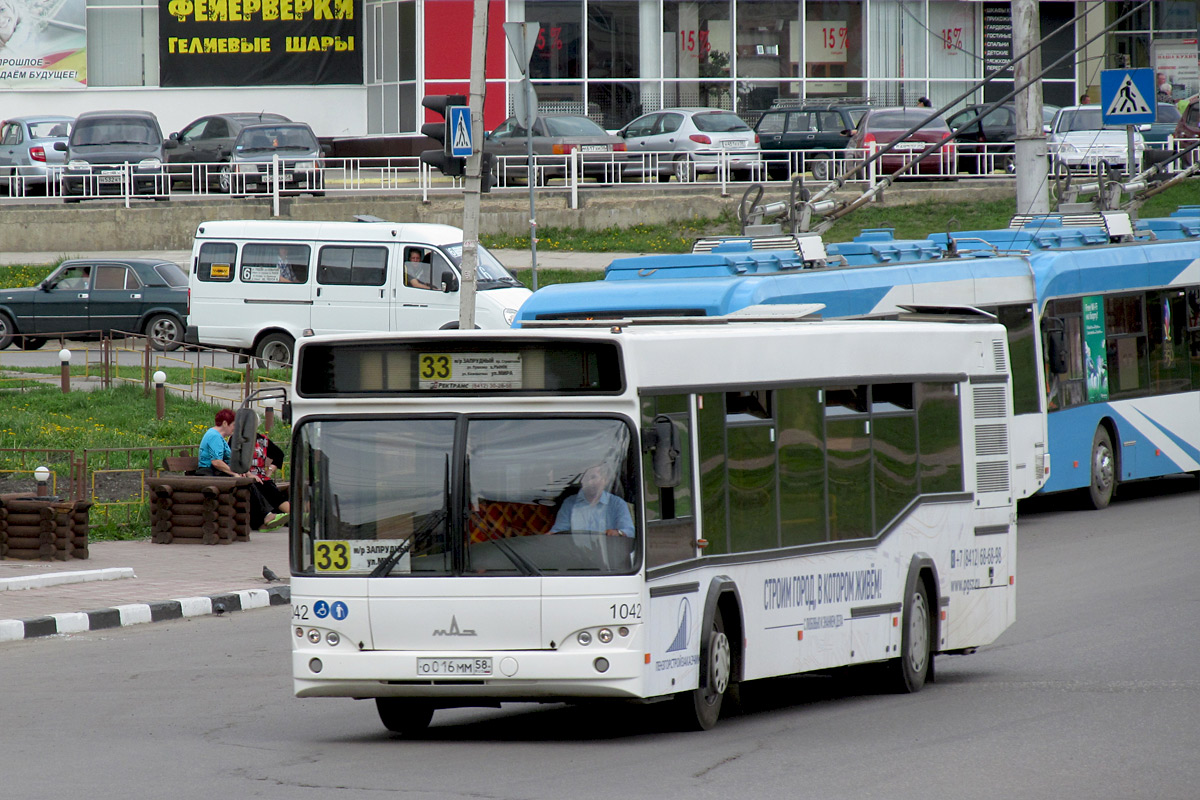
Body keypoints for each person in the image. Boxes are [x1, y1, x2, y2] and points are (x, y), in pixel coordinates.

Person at [549, 464, 634, 537]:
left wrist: (618, 533)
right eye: (586, 478)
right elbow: (558, 532)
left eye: (593, 477)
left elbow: (630, 531)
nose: (589, 482)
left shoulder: (617, 504)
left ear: (605, 480)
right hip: (575, 553)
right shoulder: (569, 503)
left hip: (607, 553)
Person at [249, 431, 290, 530]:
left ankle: (293, 515)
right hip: (247, 476)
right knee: (260, 487)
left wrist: (270, 470)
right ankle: (290, 515)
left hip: (262, 477)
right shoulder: (237, 439)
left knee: (269, 487)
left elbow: (279, 454)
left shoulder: (262, 439)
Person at [196, 409, 238, 477]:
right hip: (211, 473)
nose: (235, 428)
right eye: (234, 425)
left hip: (217, 472)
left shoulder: (217, 435)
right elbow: (216, 462)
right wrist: (234, 473)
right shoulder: (214, 436)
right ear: (225, 423)